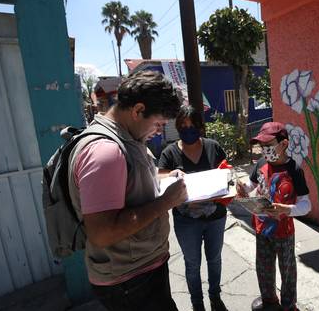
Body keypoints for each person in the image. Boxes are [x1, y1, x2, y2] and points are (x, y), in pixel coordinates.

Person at [67, 71, 188, 311]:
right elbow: (102, 232)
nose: (159, 132)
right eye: (158, 124)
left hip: (139, 272)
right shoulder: (105, 152)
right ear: (138, 110)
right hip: (130, 282)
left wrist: (163, 176)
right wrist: (166, 202)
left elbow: (126, 184)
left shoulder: (128, 136)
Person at [158, 105, 229, 311]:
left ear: (200, 126)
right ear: (178, 127)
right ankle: (197, 303)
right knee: (192, 264)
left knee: (214, 259)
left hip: (215, 216)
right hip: (186, 219)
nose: (188, 130)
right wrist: (171, 175)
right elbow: (159, 177)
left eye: (192, 126)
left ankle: (215, 297)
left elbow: (226, 173)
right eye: (183, 126)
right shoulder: (170, 152)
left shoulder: (213, 147)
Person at [236, 122, 311, 311]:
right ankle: (269, 301)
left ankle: (288, 305)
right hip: (261, 229)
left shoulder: (294, 169)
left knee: (287, 271)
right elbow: (252, 186)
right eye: (261, 146)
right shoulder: (261, 164)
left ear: (284, 143)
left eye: (268, 145)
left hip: (284, 232)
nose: (264, 150)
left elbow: (306, 205)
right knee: (263, 268)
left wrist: (287, 209)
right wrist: (243, 189)